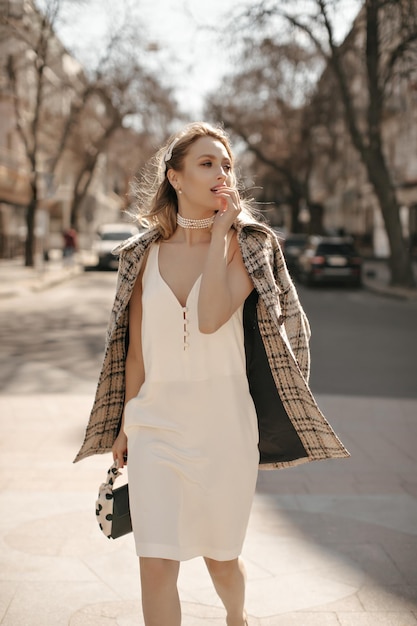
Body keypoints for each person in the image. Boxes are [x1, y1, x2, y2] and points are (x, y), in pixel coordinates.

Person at [74, 122, 349, 626]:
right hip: (155, 425)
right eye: (207, 164)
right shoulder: (141, 255)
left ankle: (236, 618)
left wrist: (222, 232)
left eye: (227, 165)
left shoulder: (249, 246)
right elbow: (135, 353)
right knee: (156, 564)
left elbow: (208, 318)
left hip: (225, 428)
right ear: (175, 177)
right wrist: (124, 425)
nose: (222, 173)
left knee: (221, 558)